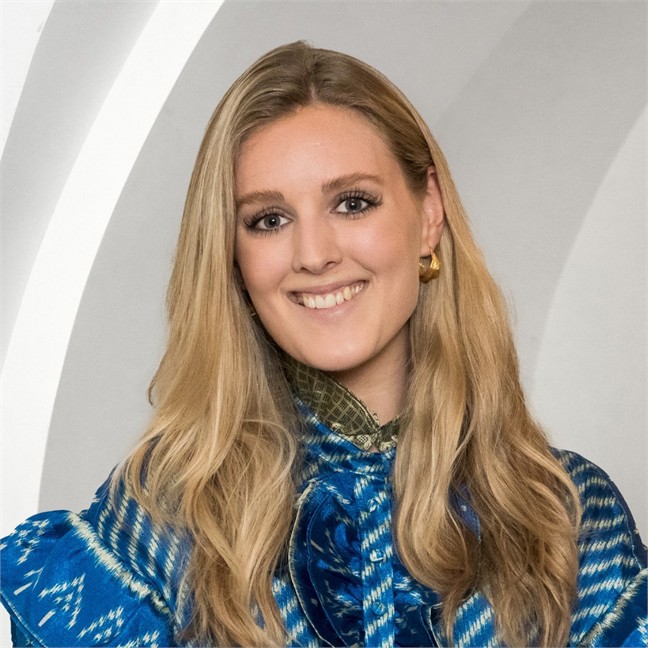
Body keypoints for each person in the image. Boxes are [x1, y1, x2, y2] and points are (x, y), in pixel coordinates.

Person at [1, 41, 646, 648]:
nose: (313, 254)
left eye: (353, 203)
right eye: (269, 220)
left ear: (428, 212)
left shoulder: (565, 513)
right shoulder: (162, 518)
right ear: (232, 255)